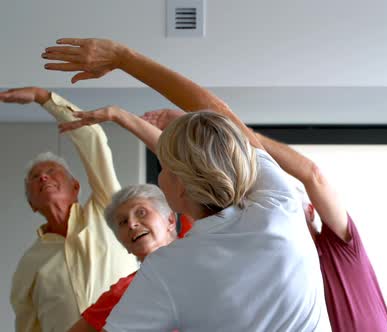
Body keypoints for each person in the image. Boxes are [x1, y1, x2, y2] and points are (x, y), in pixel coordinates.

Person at [45, 38, 330, 331]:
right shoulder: (278, 206)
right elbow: (220, 115)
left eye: (164, 166)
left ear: (178, 195)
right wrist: (124, 58)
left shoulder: (168, 270)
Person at [142, 107, 387, 331]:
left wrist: (251, 140)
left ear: (308, 212)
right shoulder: (262, 254)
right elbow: (191, 180)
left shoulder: (341, 247)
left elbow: (314, 175)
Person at [0, 87, 138, 332]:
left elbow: (93, 140)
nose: (43, 177)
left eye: (52, 171)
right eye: (34, 177)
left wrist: (43, 97)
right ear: (31, 203)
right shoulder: (29, 265)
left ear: (75, 187)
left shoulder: (109, 212)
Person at [68, 184, 192, 332]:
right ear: (123, 244)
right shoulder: (122, 292)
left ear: (170, 220)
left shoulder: (200, 246)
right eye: (123, 222)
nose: (132, 224)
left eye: (141, 212)